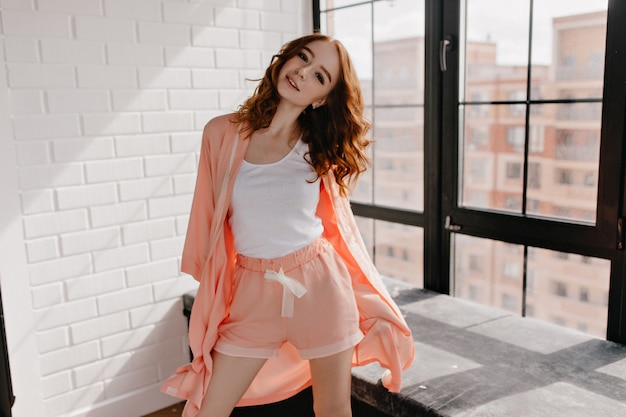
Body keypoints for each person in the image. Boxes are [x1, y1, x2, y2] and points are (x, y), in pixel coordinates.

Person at [161, 33, 414, 417]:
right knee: (207, 408)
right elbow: (207, 215)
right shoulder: (221, 133)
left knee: (331, 409)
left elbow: (339, 227)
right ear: (286, 58)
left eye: (319, 76)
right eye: (303, 57)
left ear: (322, 98)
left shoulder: (320, 150)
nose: (302, 72)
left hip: (320, 287)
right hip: (251, 291)